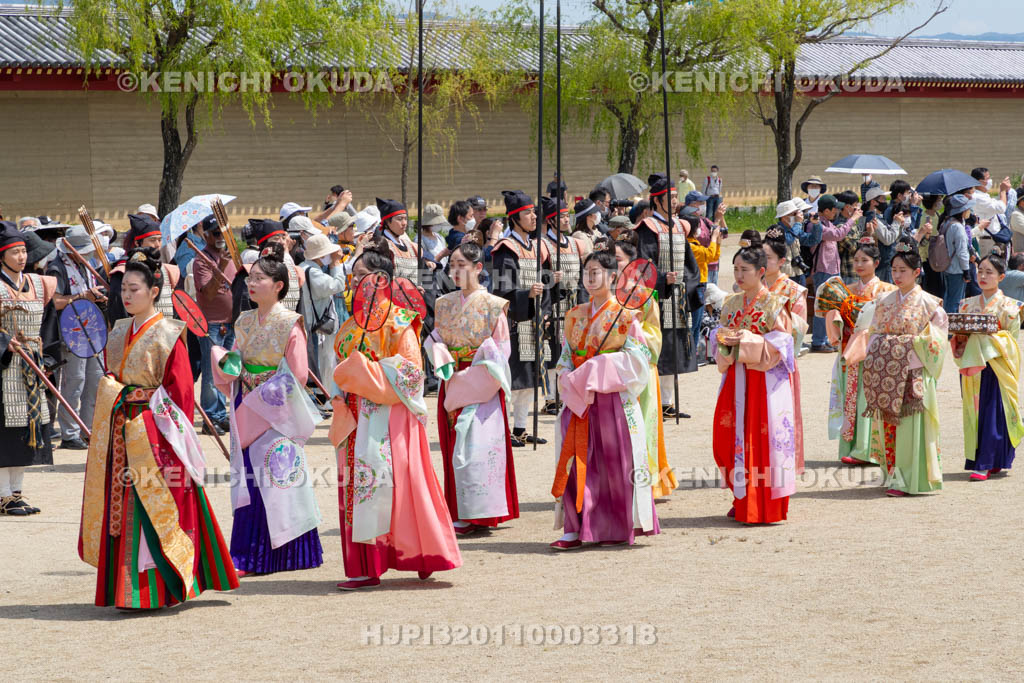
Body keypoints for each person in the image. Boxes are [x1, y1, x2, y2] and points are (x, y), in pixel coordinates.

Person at [79, 247, 239, 607]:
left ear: (154, 291)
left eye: (134, 289)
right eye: (123, 290)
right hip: (123, 428)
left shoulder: (170, 333)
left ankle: (156, 590)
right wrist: (113, 394)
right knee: (124, 503)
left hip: (155, 432)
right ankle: (127, 589)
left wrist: (154, 422)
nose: (127, 295)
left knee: (161, 504)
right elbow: (113, 375)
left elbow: (181, 394)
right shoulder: (119, 330)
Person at [331, 238, 462, 590]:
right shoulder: (348, 326)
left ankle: (418, 552)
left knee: (403, 487)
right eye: (352, 276)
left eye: (361, 276)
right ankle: (365, 565)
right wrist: (341, 390)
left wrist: (362, 372)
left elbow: (410, 373)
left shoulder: (401, 321)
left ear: (381, 279)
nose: (354, 282)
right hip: (355, 418)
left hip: (391, 417)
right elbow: (337, 371)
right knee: (358, 490)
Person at [212, 243, 324, 576]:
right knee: (251, 483)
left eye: (260, 278)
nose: (251, 283)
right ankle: (249, 555)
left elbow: (298, 375)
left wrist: (261, 396)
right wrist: (227, 364)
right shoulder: (244, 321)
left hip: (276, 413)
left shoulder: (291, 323)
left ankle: (292, 554)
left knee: (279, 484)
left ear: (278, 286)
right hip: (247, 403)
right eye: (250, 278)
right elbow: (235, 359)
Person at [550, 245, 660, 549]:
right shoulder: (574, 315)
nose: (590, 278)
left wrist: (600, 366)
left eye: (596, 272)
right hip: (580, 399)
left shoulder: (626, 317)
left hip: (611, 400)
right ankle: (575, 526)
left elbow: (639, 360)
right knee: (577, 460)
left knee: (614, 464)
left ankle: (614, 526)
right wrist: (566, 374)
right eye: (586, 273)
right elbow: (565, 355)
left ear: (612, 276)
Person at [426, 242, 519, 536]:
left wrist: (476, 372)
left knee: (480, 448)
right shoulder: (444, 303)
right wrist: (443, 359)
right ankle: (459, 510)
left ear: (479, 268)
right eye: (452, 265)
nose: (455, 271)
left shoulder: (493, 305)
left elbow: (501, 350)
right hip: (453, 379)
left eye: (462, 265)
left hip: (482, 383)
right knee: (456, 448)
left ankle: (482, 511)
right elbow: (435, 339)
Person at [711, 243, 797, 524]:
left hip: (764, 380)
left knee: (762, 439)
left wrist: (746, 341)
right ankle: (742, 496)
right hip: (736, 378)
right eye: (735, 269)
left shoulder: (774, 303)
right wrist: (722, 340)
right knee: (731, 438)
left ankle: (763, 504)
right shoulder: (731, 303)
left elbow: (784, 343)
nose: (738, 275)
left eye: (744, 270)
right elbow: (719, 336)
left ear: (761, 272)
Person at [855, 241, 947, 497]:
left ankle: (912, 479)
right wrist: (891, 347)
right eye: (894, 269)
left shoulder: (930, 304)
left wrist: (902, 348)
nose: (897, 275)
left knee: (911, 428)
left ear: (917, 272)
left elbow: (936, 341)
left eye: (903, 270)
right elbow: (872, 335)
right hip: (887, 374)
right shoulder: (883, 301)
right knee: (890, 427)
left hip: (913, 373)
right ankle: (893, 474)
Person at [819, 242, 897, 466]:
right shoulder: (847, 289)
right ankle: (851, 446)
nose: (859, 264)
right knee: (850, 398)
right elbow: (832, 316)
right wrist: (837, 317)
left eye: (865, 260)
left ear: (876, 263)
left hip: (873, 350)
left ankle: (870, 449)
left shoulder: (887, 290)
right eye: (856, 260)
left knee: (869, 398)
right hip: (849, 348)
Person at [0, 222, 59, 517]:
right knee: (6, 431)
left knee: (28, 428)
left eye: (24, 251)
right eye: (15, 252)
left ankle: (17, 492)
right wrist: (3, 343)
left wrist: (47, 360)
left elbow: (48, 325)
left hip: (32, 363)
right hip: (5, 369)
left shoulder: (40, 283)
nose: (21, 257)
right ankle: (2, 495)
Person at [490, 190, 557, 447]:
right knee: (514, 379)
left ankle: (521, 428)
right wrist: (524, 295)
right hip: (515, 322)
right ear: (514, 218)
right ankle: (505, 430)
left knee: (531, 378)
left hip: (536, 321)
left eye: (533, 212)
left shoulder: (537, 248)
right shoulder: (506, 249)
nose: (533, 217)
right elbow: (501, 289)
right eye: (527, 213)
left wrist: (547, 311)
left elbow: (547, 283)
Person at [951, 254, 1024, 481]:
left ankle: (986, 462)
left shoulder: (1011, 307)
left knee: (995, 414)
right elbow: (958, 339)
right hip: (974, 368)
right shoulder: (967, 304)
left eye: (989, 272)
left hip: (997, 368)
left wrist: (985, 340)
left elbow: (1012, 342)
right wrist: (962, 339)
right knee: (976, 414)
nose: (982, 276)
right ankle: (982, 459)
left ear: (1001, 277)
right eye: (980, 270)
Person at [613, 234, 674, 498]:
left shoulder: (645, 296)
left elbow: (655, 335)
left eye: (616, 261)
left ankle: (647, 480)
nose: (610, 266)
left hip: (641, 368)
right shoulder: (602, 295)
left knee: (643, 423)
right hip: (610, 370)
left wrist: (632, 331)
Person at [634, 173, 699, 419]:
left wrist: (690, 287)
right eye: (670, 197)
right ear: (657, 200)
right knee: (660, 349)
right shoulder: (647, 228)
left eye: (675, 197)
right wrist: (662, 280)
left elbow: (690, 264)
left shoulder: (681, 226)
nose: (675, 202)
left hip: (679, 297)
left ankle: (669, 402)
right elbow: (642, 264)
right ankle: (656, 402)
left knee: (675, 351)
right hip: (658, 299)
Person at [47, 226, 107, 450]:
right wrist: (82, 296)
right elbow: (55, 301)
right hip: (71, 332)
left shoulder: (86, 267)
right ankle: (69, 432)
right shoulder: (57, 267)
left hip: (92, 328)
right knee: (75, 381)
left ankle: (88, 428)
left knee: (95, 380)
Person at [763, 230, 807, 472]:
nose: (762, 262)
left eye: (768, 257)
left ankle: (784, 466)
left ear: (782, 261)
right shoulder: (752, 287)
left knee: (781, 417)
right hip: (754, 362)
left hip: (780, 364)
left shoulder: (793, 291)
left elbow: (798, 330)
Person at [192, 215, 238, 434]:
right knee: (211, 374)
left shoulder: (230, 256)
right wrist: (222, 266)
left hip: (231, 322)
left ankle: (221, 414)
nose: (221, 237)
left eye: (223, 233)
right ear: (206, 235)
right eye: (216, 233)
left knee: (226, 370)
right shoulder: (201, 259)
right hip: (210, 324)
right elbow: (208, 294)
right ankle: (211, 417)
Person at [541, 196, 586, 415]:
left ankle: (568, 392)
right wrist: (550, 278)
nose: (566, 219)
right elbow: (534, 277)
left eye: (567, 215)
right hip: (554, 303)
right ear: (551, 220)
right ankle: (551, 397)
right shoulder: (543, 245)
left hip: (573, 303)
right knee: (553, 351)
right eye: (561, 216)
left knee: (572, 349)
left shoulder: (575, 244)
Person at [297, 233, 347, 397]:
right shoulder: (312, 272)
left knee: (323, 363)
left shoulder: (305, 267)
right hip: (320, 328)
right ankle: (327, 397)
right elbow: (337, 285)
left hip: (314, 324)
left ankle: (324, 397)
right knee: (326, 364)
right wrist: (336, 264)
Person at [810, 194, 861, 352]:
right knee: (823, 307)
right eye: (834, 209)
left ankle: (826, 339)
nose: (836, 212)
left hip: (832, 269)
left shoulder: (828, 222)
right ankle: (818, 341)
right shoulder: (816, 224)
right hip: (823, 270)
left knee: (833, 307)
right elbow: (838, 235)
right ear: (825, 211)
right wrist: (852, 219)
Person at [687, 216, 722, 351]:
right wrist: (713, 239)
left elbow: (713, 256)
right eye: (698, 227)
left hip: (701, 285)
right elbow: (708, 255)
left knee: (697, 324)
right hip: (695, 286)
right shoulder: (690, 246)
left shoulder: (695, 243)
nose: (700, 230)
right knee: (694, 323)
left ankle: (693, 353)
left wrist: (717, 242)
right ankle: (690, 354)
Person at [941, 194, 975, 314]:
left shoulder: (947, 222)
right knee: (955, 301)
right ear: (962, 211)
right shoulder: (958, 227)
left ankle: (944, 327)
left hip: (946, 267)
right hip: (957, 269)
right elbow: (962, 252)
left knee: (948, 298)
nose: (969, 211)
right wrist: (967, 271)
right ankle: (950, 330)